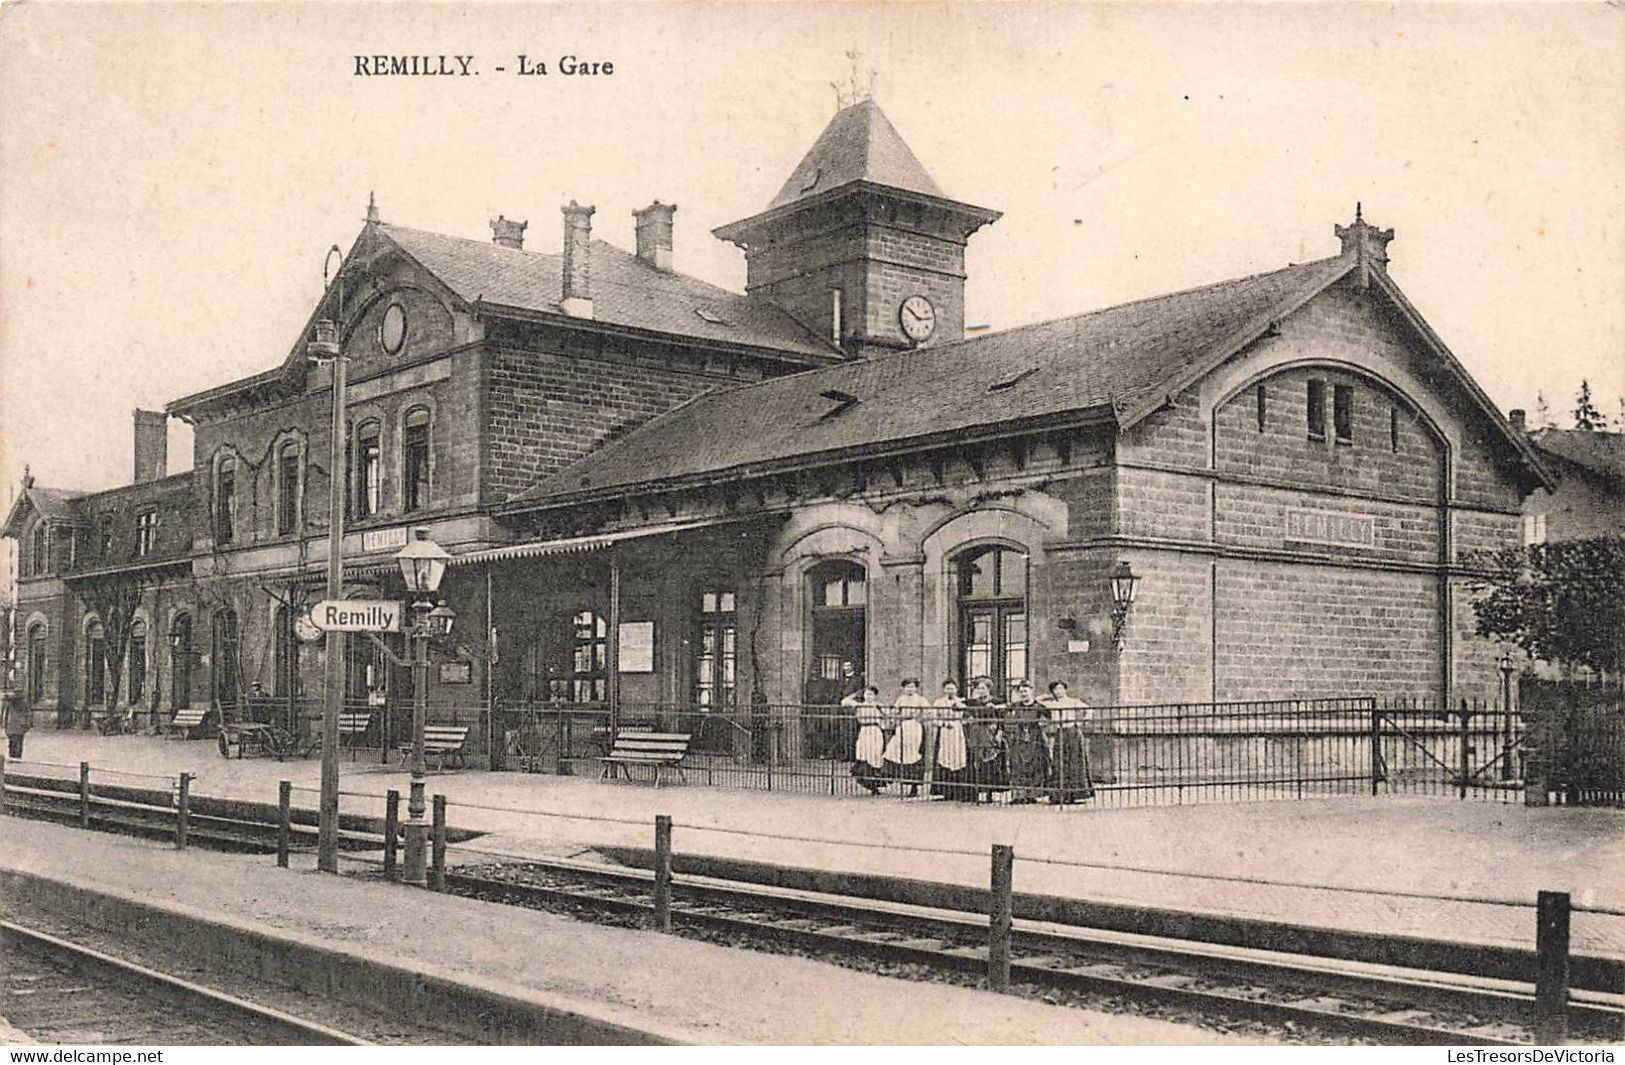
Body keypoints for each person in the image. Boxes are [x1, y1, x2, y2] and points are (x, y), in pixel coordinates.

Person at [1041, 680, 1094, 803]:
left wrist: (1083, 722)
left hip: (1072, 732)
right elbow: (1037, 701)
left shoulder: (1073, 701)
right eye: (1055, 689)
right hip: (1060, 732)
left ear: (1065, 689)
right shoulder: (1052, 704)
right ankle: (1061, 795)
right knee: (1060, 762)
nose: (1058, 691)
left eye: (1061, 688)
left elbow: (1089, 709)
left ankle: (1076, 794)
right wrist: (1047, 696)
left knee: (1074, 761)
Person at [961, 676, 1005, 803]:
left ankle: (990, 793)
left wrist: (999, 733)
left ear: (989, 689)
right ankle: (976, 793)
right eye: (978, 688)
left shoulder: (995, 701)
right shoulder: (973, 701)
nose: (981, 690)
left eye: (983, 688)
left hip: (990, 733)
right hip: (976, 734)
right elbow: (956, 706)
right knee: (976, 762)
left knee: (991, 762)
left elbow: (1002, 718)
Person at [1004, 680, 1050, 804]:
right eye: (1021, 692)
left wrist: (1043, 724)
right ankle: (1018, 795)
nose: (1024, 694)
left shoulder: (1038, 706)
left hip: (1034, 737)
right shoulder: (1016, 705)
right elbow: (1004, 708)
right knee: (1017, 764)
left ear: (1031, 691)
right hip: (1019, 737)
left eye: (1026, 691)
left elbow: (1049, 717)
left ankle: (1031, 795)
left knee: (1034, 765)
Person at [883, 678, 928, 795]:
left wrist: (919, 718)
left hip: (914, 726)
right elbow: (894, 712)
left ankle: (914, 787)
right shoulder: (901, 699)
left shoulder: (920, 699)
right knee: (892, 750)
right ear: (903, 688)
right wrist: (895, 718)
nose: (910, 689)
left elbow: (929, 711)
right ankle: (893, 775)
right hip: (902, 726)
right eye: (907, 687)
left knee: (913, 754)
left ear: (916, 688)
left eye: (912, 686)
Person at [928, 679, 969, 800]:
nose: (950, 691)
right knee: (945, 757)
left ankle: (959, 792)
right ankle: (946, 791)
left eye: (952, 688)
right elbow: (933, 720)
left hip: (958, 731)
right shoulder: (938, 702)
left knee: (958, 758)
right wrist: (944, 724)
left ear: (956, 689)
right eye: (947, 688)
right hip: (945, 731)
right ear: (944, 690)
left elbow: (967, 716)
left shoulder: (961, 701)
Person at [843, 685, 886, 794]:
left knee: (875, 756)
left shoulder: (878, 706)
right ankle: (870, 785)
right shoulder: (859, 706)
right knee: (863, 756)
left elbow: (890, 714)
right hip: (864, 731)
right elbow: (844, 701)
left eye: (871, 694)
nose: (869, 696)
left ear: (875, 696)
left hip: (875, 731)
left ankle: (876, 783)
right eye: (867, 694)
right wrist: (857, 693)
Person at [3, 688, 32, 759]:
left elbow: (6, 715)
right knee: (17, 742)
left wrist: (5, 725)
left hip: (13, 726)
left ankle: (14, 755)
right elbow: (28, 714)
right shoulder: (23, 703)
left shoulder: (11, 702)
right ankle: (16, 756)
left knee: (13, 742)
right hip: (18, 726)